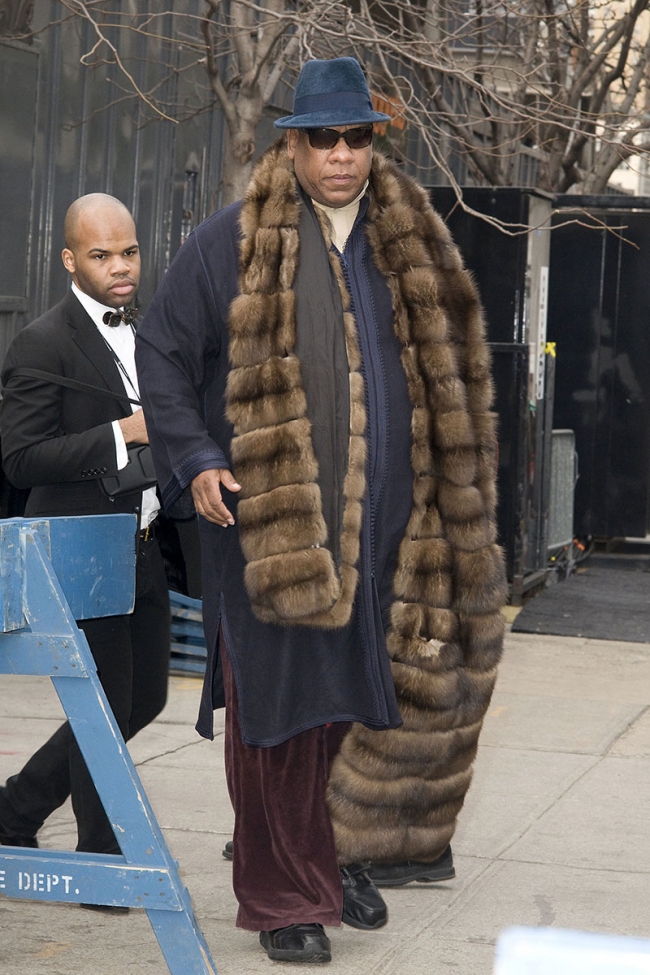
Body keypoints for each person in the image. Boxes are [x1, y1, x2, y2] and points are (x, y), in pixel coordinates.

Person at [136, 57, 506, 963]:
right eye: (323, 138)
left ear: (373, 144)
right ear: (294, 144)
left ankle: (329, 857)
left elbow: (456, 371)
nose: (341, 155)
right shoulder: (229, 242)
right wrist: (197, 460)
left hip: (386, 535)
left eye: (356, 138)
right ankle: (281, 896)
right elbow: (163, 353)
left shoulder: (407, 243)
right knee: (277, 717)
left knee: (349, 709)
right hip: (272, 530)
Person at [0, 194, 171, 907]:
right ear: (71, 260)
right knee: (107, 702)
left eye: (128, 251)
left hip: (143, 543)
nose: (120, 267)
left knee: (146, 697)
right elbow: (20, 457)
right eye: (101, 255)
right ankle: (100, 865)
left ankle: (15, 807)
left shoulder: (151, 330)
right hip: (80, 549)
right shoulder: (42, 342)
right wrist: (123, 434)